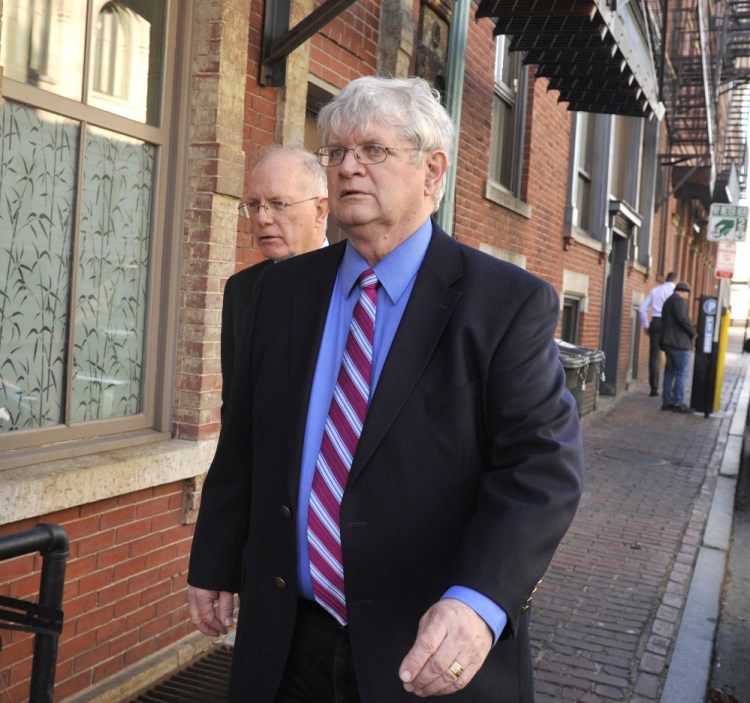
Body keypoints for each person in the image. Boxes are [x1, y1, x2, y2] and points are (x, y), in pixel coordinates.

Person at [188, 76, 584, 703]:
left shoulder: (505, 303)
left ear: (433, 171)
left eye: (373, 151)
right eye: (336, 152)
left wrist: (478, 603)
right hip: (289, 641)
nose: (348, 168)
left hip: (425, 648)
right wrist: (215, 559)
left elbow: (542, 469)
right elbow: (243, 439)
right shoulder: (278, 292)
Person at [221, 147, 329, 414]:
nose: (262, 218)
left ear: (320, 210)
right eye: (254, 205)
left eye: (278, 204)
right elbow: (234, 404)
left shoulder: (356, 285)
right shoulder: (241, 289)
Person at [660, 280, 697, 413]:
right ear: (682, 292)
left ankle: (667, 401)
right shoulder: (679, 301)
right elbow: (683, 319)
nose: (688, 298)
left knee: (669, 372)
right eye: (687, 295)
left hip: (668, 343)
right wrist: (693, 332)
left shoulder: (668, 301)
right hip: (679, 343)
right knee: (682, 373)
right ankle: (678, 402)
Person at [638, 271, 677, 396]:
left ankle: (653, 389)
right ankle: (668, 388)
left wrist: (646, 326)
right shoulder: (675, 292)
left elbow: (642, 309)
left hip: (656, 323)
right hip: (669, 325)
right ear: (675, 280)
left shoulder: (655, 290)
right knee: (671, 356)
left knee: (654, 357)